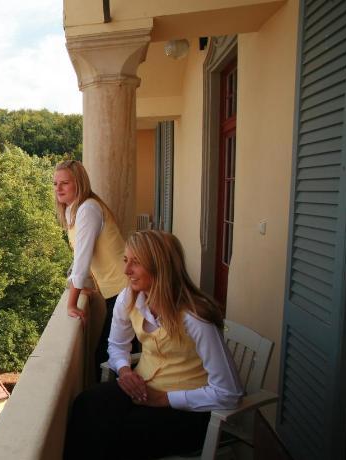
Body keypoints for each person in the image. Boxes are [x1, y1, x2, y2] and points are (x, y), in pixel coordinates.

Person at [64, 230, 244, 459]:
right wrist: (125, 370)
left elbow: (229, 393)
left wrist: (163, 399)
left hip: (188, 410)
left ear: (160, 267)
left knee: (116, 435)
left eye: (136, 263)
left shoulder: (195, 318)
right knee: (86, 405)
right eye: (126, 260)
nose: (126, 270)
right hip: (143, 390)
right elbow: (117, 345)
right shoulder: (129, 297)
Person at [53, 160, 128, 372]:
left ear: (80, 184)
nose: (58, 188)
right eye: (55, 183)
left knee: (105, 357)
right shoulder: (74, 210)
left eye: (64, 183)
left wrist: (72, 303)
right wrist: (88, 284)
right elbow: (85, 258)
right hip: (120, 291)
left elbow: (82, 261)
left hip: (127, 291)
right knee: (113, 355)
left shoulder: (87, 209)